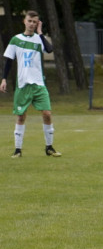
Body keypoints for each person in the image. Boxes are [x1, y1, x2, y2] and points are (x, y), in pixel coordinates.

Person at [1, 11, 61, 157]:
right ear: (24, 21)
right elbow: (9, 61)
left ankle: (49, 147)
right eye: (30, 21)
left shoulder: (39, 39)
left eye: (35, 22)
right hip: (22, 84)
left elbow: (49, 49)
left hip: (39, 84)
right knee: (21, 116)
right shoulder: (16, 39)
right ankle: (17, 150)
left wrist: (41, 33)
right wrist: (3, 79)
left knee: (47, 114)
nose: (32, 24)